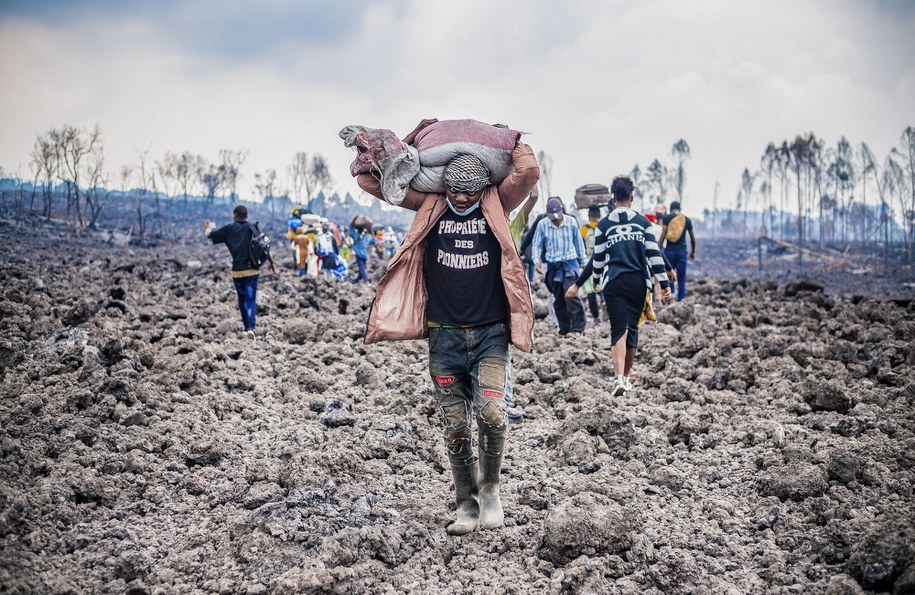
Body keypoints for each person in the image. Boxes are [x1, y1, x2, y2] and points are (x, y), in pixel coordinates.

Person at [356, 119, 540, 536]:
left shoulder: (497, 201)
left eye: (468, 190)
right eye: (453, 189)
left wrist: (508, 138)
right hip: (444, 337)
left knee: (492, 414)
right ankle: (466, 503)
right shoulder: (431, 203)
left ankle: (490, 489)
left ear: (483, 188)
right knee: (455, 425)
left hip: (490, 334)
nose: (459, 197)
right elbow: (372, 180)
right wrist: (408, 149)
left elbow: (528, 171)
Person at [566, 176, 670, 395]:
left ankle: (619, 379)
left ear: (612, 198)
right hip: (638, 284)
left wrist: (595, 281)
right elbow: (654, 253)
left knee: (618, 330)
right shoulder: (643, 223)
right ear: (631, 197)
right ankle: (626, 378)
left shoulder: (604, 225)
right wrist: (663, 282)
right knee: (632, 330)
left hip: (614, 282)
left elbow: (599, 257)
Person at [204, 205, 278, 340]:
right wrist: (272, 263)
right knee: (251, 299)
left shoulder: (228, 229)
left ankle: (246, 328)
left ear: (235, 216)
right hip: (252, 272)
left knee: (242, 298)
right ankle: (250, 328)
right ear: (247, 216)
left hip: (237, 272)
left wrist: (208, 226)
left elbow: (209, 235)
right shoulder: (253, 228)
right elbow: (264, 246)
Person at [533, 197, 587, 339]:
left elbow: (579, 243)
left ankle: (577, 328)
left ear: (562, 211)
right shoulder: (543, 225)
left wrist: (583, 263)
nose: (556, 220)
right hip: (553, 266)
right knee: (559, 299)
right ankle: (565, 329)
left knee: (571, 295)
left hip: (570, 263)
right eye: (553, 218)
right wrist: (536, 261)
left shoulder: (571, 222)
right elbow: (537, 245)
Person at [660, 200, 696, 301]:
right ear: (679, 210)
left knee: (670, 276)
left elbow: (663, 234)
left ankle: (671, 297)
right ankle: (681, 300)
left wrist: (657, 249)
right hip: (682, 252)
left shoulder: (666, 218)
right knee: (681, 279)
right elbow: (693, 238)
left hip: (669, 252)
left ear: (671, 209)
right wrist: (693, 252)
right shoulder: (686, 220)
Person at [579, 205, 604, 324]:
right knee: (603, 287)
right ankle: (605, 303)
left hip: (589, 262)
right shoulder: (603, 226)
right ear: (599, 216)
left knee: (590, 292)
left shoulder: (583, 229)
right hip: (603, 262)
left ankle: (596, 318)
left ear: (589, 216)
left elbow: (581, 247)